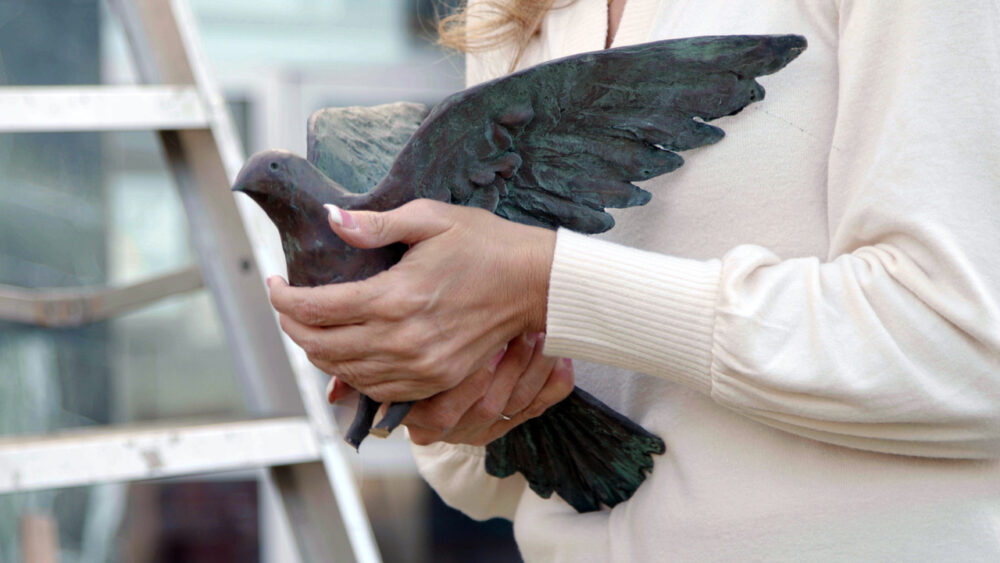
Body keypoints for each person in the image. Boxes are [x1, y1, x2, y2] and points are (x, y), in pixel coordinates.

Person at [267, 0, 1000, 560]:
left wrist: (549, 286)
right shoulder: (511, 8)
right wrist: (440, 373)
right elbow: (487, 483)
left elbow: (971, 347)